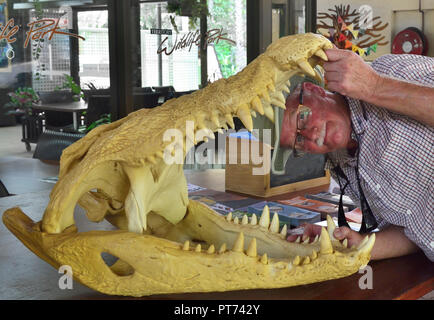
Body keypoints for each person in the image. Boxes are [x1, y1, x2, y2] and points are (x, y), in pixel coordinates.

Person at [280, 49, 434, 261]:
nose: (311, 135)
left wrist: (374, 86)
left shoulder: (387, 71)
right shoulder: (340, 163)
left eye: (302, 119)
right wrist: (357, 246)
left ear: (314, 90)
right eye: (298, 141)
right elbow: (414, 229)